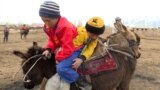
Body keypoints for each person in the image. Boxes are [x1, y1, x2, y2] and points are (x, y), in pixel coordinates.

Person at [39, 1, 105, 90]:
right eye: (92, 34)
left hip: (74, 49)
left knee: (61, 68)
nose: (95, 37)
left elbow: (88, 48)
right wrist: (48, 48)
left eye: (97, 35)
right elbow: (53, 39)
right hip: (69, 48)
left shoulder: (67, 28)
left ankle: (81, 81)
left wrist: (81, 58)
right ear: (87, 29)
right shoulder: (79, 32)